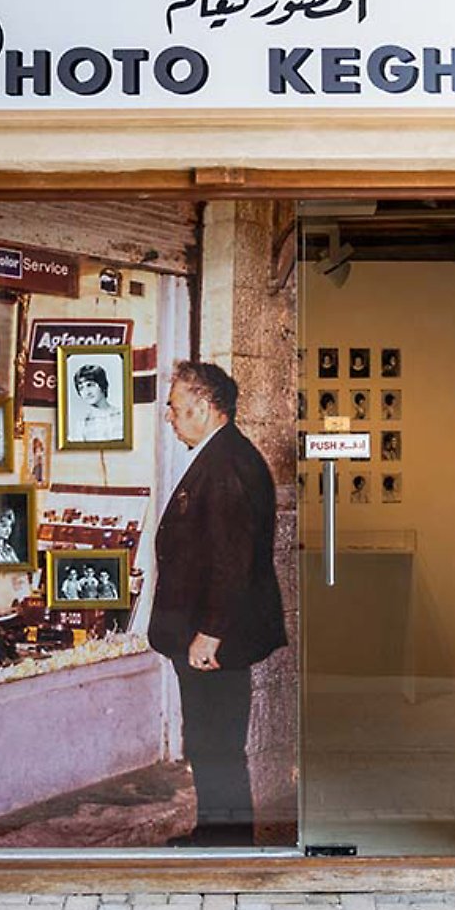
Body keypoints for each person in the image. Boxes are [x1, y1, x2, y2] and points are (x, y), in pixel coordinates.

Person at [154, 360, 286, 847]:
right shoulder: (221, 455)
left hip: (212, 639)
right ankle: (215, 833)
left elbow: (233, 561)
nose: (169, 416)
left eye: (174, 407)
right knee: (210, 741)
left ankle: (227, 842)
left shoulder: (227, 463)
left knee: (218, 743)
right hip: (204, 634)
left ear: (204, 407)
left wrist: (209, 634)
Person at [70, 362, 124, 443]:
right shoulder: (82, 425)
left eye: (90, 385)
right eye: (81, 388)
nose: (87, 392)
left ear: (102, 385)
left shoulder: (122, 416)